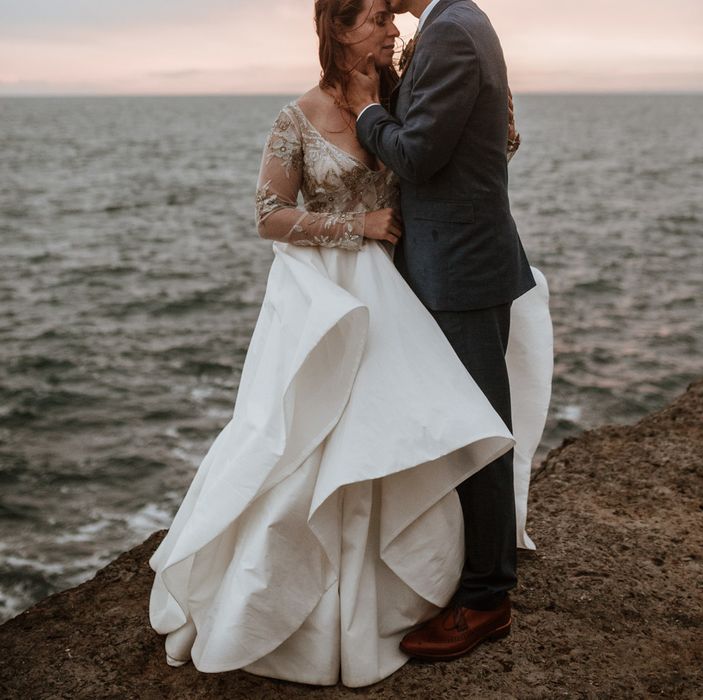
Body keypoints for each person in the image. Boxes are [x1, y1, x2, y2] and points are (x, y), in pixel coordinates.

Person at [148, 0, 552, 688]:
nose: (393, 28)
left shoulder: (421, 63)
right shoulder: (300, 115)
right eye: (375, 19)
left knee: (454, 421)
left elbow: (447, 145)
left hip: (422, 280)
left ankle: (478, 591)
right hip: (348, 291)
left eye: (391, 19)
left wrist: (470, 119)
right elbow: (268, 214)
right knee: (340, 431)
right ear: (338, 31)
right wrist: (355, 224)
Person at [345, 0, 537, 661]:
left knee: (476, 433)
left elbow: (420, 155)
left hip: (461, 269)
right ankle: (475, 569)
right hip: (451, 261)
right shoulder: (450, 23)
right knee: (465, 424)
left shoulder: (453, 29)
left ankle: (487, 599)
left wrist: (368, 109)